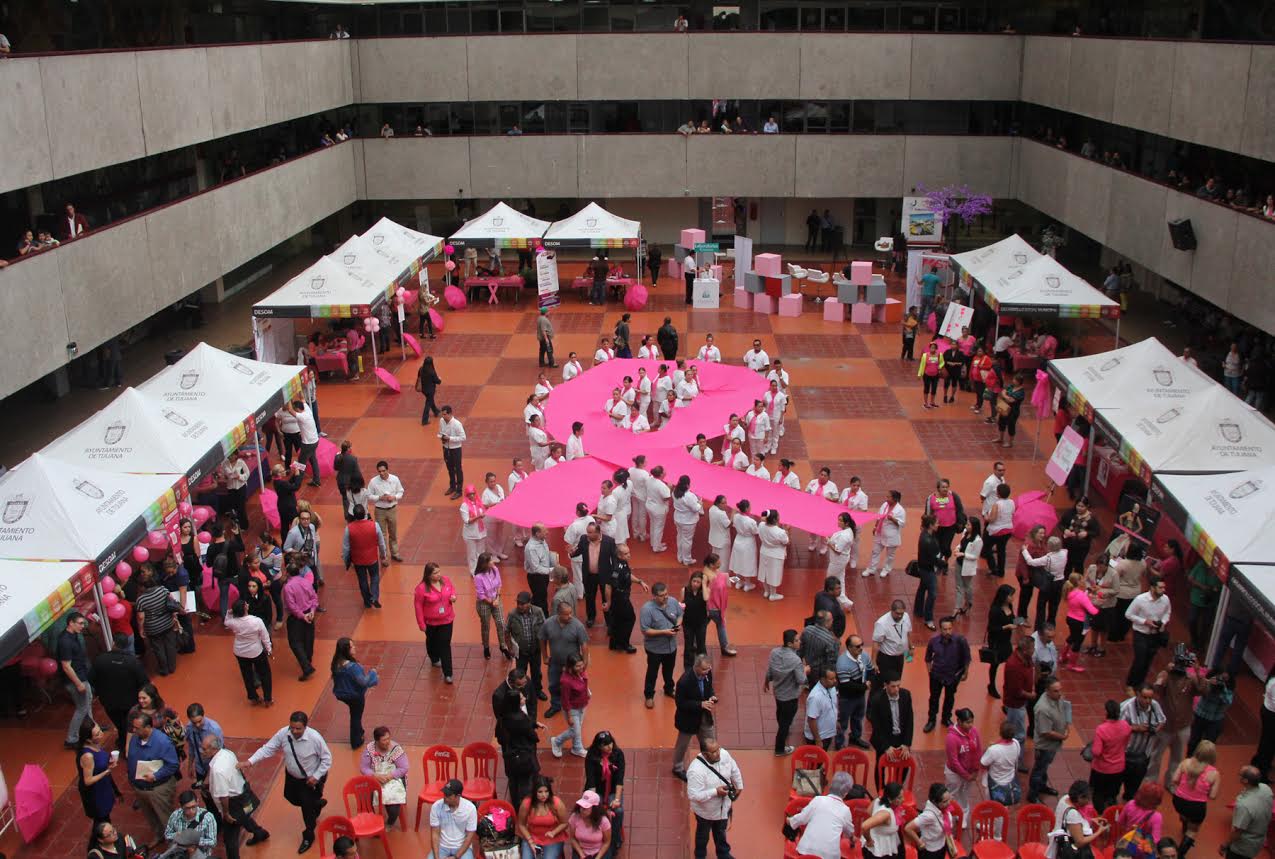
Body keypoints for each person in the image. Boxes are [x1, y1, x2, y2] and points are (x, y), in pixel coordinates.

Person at [243, 712, 331, 854]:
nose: (294, 731)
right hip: (291, 777)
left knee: (307, 811)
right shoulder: (284, 733)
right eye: (292, 728)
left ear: (305, 727)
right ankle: (317, 804)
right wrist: (250, 761)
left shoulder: (315, 738)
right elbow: (268, 748)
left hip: (309, 781)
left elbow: (327, 759)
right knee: (290, 796)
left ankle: (309, 835)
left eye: (298, 729)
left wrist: (316, 776)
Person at [202, 733, 269, 859]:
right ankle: (260, 833)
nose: (202, 751)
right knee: (244, 816)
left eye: (204, 749)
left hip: (233, 804)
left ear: (213, 749)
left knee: (230, 839)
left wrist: (226, 813)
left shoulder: (217, 770)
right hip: (242, 796)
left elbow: (223, 796)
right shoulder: (227, 753)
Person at [128, 712, 182, 843]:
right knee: (150, 815)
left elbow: (173, 765)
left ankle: (175, 844)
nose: (133, 731)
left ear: (147, 727)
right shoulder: (135, 738)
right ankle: (158, 835)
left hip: (158, 788)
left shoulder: (163, 742)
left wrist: (156, 775)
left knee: (165, 817)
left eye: (137, 728)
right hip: (140, 787)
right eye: (133, 727)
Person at [686, 738, 742, 859]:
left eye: (718, 749)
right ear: (705, 754)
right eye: (714, 752)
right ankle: (700, 855)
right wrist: (715, 792)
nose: (718, 753)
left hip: (723, 809)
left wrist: (739, 785)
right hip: (705, 812)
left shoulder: (724, 754)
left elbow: (734, 769)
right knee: (703, 835)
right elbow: (694, 795)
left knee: (721, 832)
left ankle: (723, 854)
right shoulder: (695, 771)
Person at [90, 634, 149, 740]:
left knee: (120, 725)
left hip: (109, 702)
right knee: (131, 725)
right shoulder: (133, 662)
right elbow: (144, 682)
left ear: (113, 643)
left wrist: (100, 692)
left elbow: (91, 679)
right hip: (130, 702)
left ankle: (123, 741)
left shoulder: (100, 660)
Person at [788, 771, 856, 859]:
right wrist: (852, 840)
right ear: (846, 793)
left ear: (831, 785)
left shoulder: (818, 800)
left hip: (806, 851)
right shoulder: (845, 811)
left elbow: (801, 819)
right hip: (830, 856)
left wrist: (790, 820)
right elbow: (850, 833)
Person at [1169, 740, 1219, 858]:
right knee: (1193, 831)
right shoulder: (1214, 773)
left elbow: (1175, 780)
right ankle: (1180, 854)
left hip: (1179, 801)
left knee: (1184, 813)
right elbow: (1213, 796)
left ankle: (1185, 821)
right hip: (1197, 806)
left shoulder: (1185, 763)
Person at [539, 601, 588, 720]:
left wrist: (584, 664)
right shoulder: (548, 624)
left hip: (572, 665)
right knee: (554, 685)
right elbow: (542, 639)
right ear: (558, 614)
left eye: (571, 613)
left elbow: (584, 646)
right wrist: (545, 656)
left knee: (574, 687)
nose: (570, 616)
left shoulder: (578, 626)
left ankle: (572, 707)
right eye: (567, 614)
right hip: (555, 662)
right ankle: (556, 705)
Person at [673, 654, 717, 780]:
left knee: (709, 740)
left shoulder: (707, 673)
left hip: (704, 716)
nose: (706, 672)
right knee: (683, 744)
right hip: (688, 719)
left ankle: (710, 762)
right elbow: (680, 703)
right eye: (704, 669)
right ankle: (677, 768)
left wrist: (712, 695)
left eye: (708, 669)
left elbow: (709, 688)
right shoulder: (684, 681)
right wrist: (700, 704)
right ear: (696, 667)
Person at [583, 731, 627, 858]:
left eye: (610, 743)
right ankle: (594, 837)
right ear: (598, 746)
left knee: (618, 811)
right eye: (605, 745)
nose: (609, 747)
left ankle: (615, 838)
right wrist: (593, 802)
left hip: (613, 790)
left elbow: (620, 780)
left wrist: (617, 799)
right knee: (593, 810)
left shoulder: (618, 755)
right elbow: (591, 781)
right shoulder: (591, 757)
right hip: (596, 790)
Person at [924, 617, 970, 733]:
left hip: (952, 676)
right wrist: (930, 672)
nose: (947, 631)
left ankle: (946, 718)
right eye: (945, 629)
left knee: (950, 697)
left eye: (949, 629)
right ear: (940, 629)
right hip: (936, 675)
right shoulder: (933, 641)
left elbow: (966, 658)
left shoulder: (960, 641)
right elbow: (928, 658)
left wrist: (965, 672)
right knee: (934, 698)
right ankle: (931, 720)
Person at [640, 582, 682, 709]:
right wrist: (664, 632)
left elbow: (680, 614)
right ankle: (649, 695)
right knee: (652, 672)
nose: (665, 597)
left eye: (666, 594)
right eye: (661, 595)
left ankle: (669, 689)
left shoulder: (673, 602)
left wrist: (678, 625)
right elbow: (645, 630)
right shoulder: (647, 609)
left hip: (671, 646)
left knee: (669, 670)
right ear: (654, 596)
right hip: (655, 649)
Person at [1028, 677, 1070, 803]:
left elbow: (1065, 708)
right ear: (1047, 691)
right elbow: (1045, 732)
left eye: (1060, 690)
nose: (1060, 693)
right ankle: (1033, 794)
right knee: (1039, 769)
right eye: (1056, 691)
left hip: (1053, 744)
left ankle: (1042, 786)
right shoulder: (1043, 709)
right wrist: (1063, 736)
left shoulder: (1057, 698)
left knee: (1044, 767)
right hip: (1045, 745)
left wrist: (1066, 724)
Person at [330, 637, 378, 749]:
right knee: (356, 716)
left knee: (354, 713)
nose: (354, 647)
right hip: (355, 696)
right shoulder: (352, 667)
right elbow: (363, 682)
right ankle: (356, 741)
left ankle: (360, 731)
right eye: (352, 646)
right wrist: (372, 673)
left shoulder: (336, 663)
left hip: (342, 694)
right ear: (347, 649)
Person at [414, 562, 457, 684]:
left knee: (445, 645)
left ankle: (448, 673)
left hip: (447, 620)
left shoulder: (446, 580)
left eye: (439, 571)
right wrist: (421, 624)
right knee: (432, 641)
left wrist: (454, 596)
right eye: (435, 573)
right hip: (430, 623)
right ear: (428, 575)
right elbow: (418, 606)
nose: (439, 575)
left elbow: (452, 590)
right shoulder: (421, 589)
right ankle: (433, 657)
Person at [359, 726, 409, 830]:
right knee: (365, 799)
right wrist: (374, 775)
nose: (387, 742)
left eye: (388, 739)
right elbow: (364, 768)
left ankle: (390, 822)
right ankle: (372, 821)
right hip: (375, 777)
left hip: (394, 779)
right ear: (376, 741)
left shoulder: (396, 750)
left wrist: (389, 776)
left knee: (393, 806)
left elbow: (404, 768)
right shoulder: (370, 749)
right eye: (384, 740)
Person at [1126, 575, 1171, 688]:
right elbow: (1129, 614)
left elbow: (1167, 612)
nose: (1163, 590)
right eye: (1160, 587)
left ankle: (1141, 683)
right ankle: (1131, 684)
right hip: (1141, 633)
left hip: (1156, 635)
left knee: (1148, 660)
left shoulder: (1165, 599)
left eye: (1164, 588)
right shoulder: (1140, 599)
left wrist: (1163, 622)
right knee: (1140, 660)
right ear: (1152, 587)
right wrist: (1144, 621)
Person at [765, 629, 805, 757]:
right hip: (790, 697)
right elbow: (801, 680)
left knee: (781, 714)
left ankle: (783, 729)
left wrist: (766, 681)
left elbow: (770, 669)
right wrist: (806, 670)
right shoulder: (796, 660)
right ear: (790, 643)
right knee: (785, 723)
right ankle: (780, 749)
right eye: (797, 640)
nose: (800, 642)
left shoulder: (774, 652)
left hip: (778, 693)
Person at [505, 592, 548, 705]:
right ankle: (522, 694)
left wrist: (544, 650)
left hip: (535, 650)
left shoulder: (538, 611)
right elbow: (506, 631)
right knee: (521, 674)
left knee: (536, 672)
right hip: (521, 652)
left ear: (529, 603)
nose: (520, 606)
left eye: (523, 604)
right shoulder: (512, 614)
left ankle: (538, 691)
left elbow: (544, 628)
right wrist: (510, 648)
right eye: (518, 603)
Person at [58, 611, 93, 749]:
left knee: (87, 703)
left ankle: (91, 728)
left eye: (83, 623)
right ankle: (71, 738)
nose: (82, 626)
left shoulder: (72, 636)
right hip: (76, 679)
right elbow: (66, 666)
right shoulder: (65, 642)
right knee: (82, 707)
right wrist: (78, 683)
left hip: (81, 675)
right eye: (80, 623)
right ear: (70, 623)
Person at [1221, 766, 1272, 859]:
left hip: (1242, 848)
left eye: (1240, 775)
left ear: (1245, 781)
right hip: (1258, 842)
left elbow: (1237, 832)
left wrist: (1225, 845)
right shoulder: (1266, 788)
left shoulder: (1244, 805)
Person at [868, 677, 914, 778]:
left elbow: (909, 721)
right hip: (884, 737)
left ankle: (897, 788)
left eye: (898, 686)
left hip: (900, 737)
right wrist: (886, 746)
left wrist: (906, 744)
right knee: (880, 766)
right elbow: (877, 726)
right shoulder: (877, 699)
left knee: (904, 764)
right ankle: (881, 791)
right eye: (893, 686)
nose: (897, 689)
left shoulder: (906, 695)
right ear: (886, 685)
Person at [1090, 699, 1132, 811]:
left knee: (1098, 794)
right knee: (1112, 794)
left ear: (1106, 712)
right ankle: (1111, 814)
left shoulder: (1101, 729)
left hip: (1101, 769)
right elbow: (1126, 743)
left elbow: (1096, 752)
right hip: (1118, 768)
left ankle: (1099, 814)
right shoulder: (1126, 726)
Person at [342, 505, 386, 609]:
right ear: (365, 513)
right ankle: (374, 597)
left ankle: (367, 601)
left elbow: (346, 547)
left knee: (362, 580)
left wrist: (346, 560)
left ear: (354, 515)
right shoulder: (375, 525)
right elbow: (381, 542)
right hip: (372, 558)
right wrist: (383, 554)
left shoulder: (349, 528)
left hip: (358, 560)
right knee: (375, 577)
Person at [1050, 782, 1108, 859]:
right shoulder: (1072, 814)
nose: (1088, 801)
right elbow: (1080, 842)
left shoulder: (1065, 798)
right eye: (1087, 798)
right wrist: (1099, 831)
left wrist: (1092, 820)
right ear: (1080, 797)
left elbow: (1071, 822)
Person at [76, 719, 119, 824]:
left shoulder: (95, 745)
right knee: (101, 820)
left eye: (100, 730)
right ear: (89, 740)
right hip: (95, 792)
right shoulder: (88, 756)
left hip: (103, 786)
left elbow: (99, 761)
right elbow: (88, 780)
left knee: (105, 817)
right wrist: (106, 771)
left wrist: (108, 761)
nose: (101, 734)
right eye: (97, 734)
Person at [1002, 636, 1035, 771]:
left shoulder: (1025, 659)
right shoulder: (1013, 665)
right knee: (1018, 734)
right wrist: (1031, 695)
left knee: (1018, 731)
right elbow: (1016, 691)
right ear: (1025, 650)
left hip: (1021, 702)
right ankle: (1016, 760)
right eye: (1032, 648)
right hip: (1016, 704)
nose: (1034, 651)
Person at [517, 775, 568, 859]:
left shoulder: (557, 803)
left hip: (552, 839)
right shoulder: (526, 803)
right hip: (532, 836)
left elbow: (565, 823)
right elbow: (521, 824)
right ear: (534, 792)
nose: (544, 795)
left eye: (546, 791)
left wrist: (553, 832)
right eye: (540, 792)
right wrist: (530, 841)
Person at [550, 655, 590, 759]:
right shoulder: (566, 681)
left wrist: (588, 691)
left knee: (577, 728)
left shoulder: (580, 672)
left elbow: (584, 681)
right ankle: (556, 741)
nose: (581, 668)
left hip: (583, 705)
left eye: (582, 665)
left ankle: (577, 748)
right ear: (570, 667)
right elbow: (565, 700)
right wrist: (569, 716)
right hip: (572, 709)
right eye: (578, 666)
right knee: (574, 730)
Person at [429, 779, 478, 859]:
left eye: (448, 795)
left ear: (458, 796)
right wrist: (436, 857)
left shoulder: (470, 809)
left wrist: (456, 857)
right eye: (444, 794)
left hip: (461, 847)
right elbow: (435, 833)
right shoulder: (436, 806)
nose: (445, 797)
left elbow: (469, 837)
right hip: (442, 847)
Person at [162, 790, 218, 859]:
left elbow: (212, 842)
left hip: (200, 853)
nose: (191, 811)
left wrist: (194, 842)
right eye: (187, 808)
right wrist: (177, 835)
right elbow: (167, 835)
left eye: (193, 807)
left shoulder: (208, 817)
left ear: (197, 802)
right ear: (181, 806)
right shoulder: (175, 815)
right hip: (179, 852)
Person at [905, 783, 955, 859]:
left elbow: (947, 829)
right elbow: (908, 828)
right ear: (935, 802)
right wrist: (919, 843)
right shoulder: (929, 815)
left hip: (942, 845)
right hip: (930, 852)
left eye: (949, 799)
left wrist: (953, 845)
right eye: (945, 801)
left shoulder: (944, 809)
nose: (949, 803)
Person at [1061, 572, 1099, 672]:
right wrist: (1097, 604)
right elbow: (1092, 611)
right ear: (1077, 582)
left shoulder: (1070, 592)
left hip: (1070, 618)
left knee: (1071, 637)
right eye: (1081, 580)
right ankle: (1072, 665)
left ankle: (1063, 656)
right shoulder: (1081, 595)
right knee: (1077, 642)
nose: (1083, 581)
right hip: (1080, 621)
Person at [864, 491, 906, 578]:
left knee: (890, 555)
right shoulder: (884, 505)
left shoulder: (900, 510)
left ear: (895, 499)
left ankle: (886, 569)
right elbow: (879, 516)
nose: (886, 499)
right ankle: (871, 569)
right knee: (875, 551)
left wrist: (893, 519)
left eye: (889, 497)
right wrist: (876, 527)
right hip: (880, 532)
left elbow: (902, 524)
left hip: (891, 536)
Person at [985, 584, 1016, 698]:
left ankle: (1008, 685)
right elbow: (991, 628)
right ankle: (991, 685)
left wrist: (1021, 622)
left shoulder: (1010, 606)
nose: (1012, 598)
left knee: (1010, 662)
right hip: (996, 641)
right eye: (1010, 595)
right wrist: (1006, 627)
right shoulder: (995, 610)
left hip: (1006, 640)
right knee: (995, 664)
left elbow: (1013, 618)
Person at [981, 719, 1022, 806]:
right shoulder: (1016, 743)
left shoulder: (993, 750)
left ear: (1000, 733)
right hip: (1010, 781)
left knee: (990, 805)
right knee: (1004, 806)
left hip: (993, 782)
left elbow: (983, 763)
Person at [914, 515, 944, 629]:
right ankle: (928, 618)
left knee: (922, 588)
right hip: (928, 569)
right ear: (931, 525)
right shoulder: (927, 540)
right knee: (932, 593)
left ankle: (918, 610)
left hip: (924, 568)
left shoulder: (925, 536)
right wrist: (942, 564)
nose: (938, 525)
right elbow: (932, 558)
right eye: (936, 523)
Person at [861, 782, 906, 859]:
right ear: (889, 799)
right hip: (880, 850)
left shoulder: (878, 800)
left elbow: (868, 812)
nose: (903, 799)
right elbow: (865, 826)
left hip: (887, 842)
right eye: (899, 798)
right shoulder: (885, 814)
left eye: (902, 796)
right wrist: (869, 840)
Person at [872, 600, 913, 680]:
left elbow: (907, 633)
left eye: (902, 613)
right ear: (891, 611)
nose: (900, 616)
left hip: (900, 656)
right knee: (885, 681)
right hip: (886, 659)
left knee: (897, 679)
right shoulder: (881, 623)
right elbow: (876, 643)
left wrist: (911, 647)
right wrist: (873, 663)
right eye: (897, 613)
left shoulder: (906, 616)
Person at [567, 790, 612, 859]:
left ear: (594, 808)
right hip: (581, 850)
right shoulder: (574, 817)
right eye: (581, 806)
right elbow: (572, 839)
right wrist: (581, 854)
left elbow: (607, 842)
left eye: (585, 808)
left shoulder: (604, 821)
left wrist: (598, 857)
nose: (581, 810)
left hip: (599, 852)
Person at [800, 610, 840, 688]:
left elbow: (800, 650)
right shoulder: (831, 640)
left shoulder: (807, 630)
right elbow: (831, 662)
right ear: (826, 622)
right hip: (821, 675)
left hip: (807, 669)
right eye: (831, 619)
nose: (833, 621)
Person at [983, 483, 1015, 578]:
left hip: (996, 531)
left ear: (998, 493)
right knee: (1001, 551)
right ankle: (1001, 571)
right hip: (1008, 530)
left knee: (986, 549)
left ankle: (993, 568)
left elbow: (992, 519)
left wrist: (986, 517)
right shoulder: (1012, 502)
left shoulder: (997, 504)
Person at [757, 509, 790, 601]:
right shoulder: (780, 532)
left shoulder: (761, 525)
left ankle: (766, 591)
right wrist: (787, 531)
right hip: (776, 554)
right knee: (774, 574)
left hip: (764, 552)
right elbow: (786, 542)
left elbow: (764, 521)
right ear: (775, 519)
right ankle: (773, 594)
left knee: (764, 572)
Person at [804, 667, 840, 750]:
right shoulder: (815, 697)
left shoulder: (832, 688)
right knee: (816, 761)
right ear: (823, 679)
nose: (835, 681)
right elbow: (811, 719)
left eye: (835, 678)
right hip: (819, 737)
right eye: (831, 679)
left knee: (821, 759)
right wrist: (817, 739)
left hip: (827, 734)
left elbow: (832, 705)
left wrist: (835, 721)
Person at [525, 524, 556, 614]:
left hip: (544, 575)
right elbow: (535, 568)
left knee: (541, 597)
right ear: (537, 533)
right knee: (540, 601)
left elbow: (546, 555)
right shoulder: (531, 548)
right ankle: (543, 619)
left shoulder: (543, 541)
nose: (547, 532)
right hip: (536, 577)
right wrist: (551, 571)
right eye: (544, 531)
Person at [953, 519, 982, 616]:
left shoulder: (978, 540)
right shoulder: (965, 533)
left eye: (968, 524)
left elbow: (975, 556)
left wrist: (963, 554)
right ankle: (957, 607)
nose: (966, 526)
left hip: (967, 566)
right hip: (959, 563)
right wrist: (957, 548)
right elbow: (961, 543)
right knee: (959, 586)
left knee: (967, 586)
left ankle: (969, 602)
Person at [438, 406, 467, 499]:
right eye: (442, 414)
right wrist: (442, 438)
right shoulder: (441, 421)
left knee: (458, 469)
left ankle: (459, 490)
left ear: (450, 414)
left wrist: (450, 438)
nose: (443, 416)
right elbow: (440, 432)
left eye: (445, 414)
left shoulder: (457, 424)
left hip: (455, 449)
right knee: (449, 468)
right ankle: (452, 486)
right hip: (446, 448)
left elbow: (463, 437)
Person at [917, 341, 945, 409]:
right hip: (927, 375)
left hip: (935, 375)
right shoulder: (925, 355)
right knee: (926, 388)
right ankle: (925, 403)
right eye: (932, 348)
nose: (933, 349)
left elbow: (942, 362)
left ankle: (932, 402)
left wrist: (939, 367)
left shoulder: (939, 355)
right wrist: (919, 374)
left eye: (934, 348)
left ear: (936, 349)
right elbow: (922, 365)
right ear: (929, 348)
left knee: (934, 388)